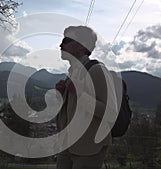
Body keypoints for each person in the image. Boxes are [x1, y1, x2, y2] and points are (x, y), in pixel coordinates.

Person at [55, 25, 112, 169]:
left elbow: (110, 113)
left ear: (81, 46)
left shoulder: (98, 71)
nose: (61, 44)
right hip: (67, 144)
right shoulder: (73, 73)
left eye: (66, 40)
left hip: (89, 147)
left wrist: (80, 95)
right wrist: (62, 96)